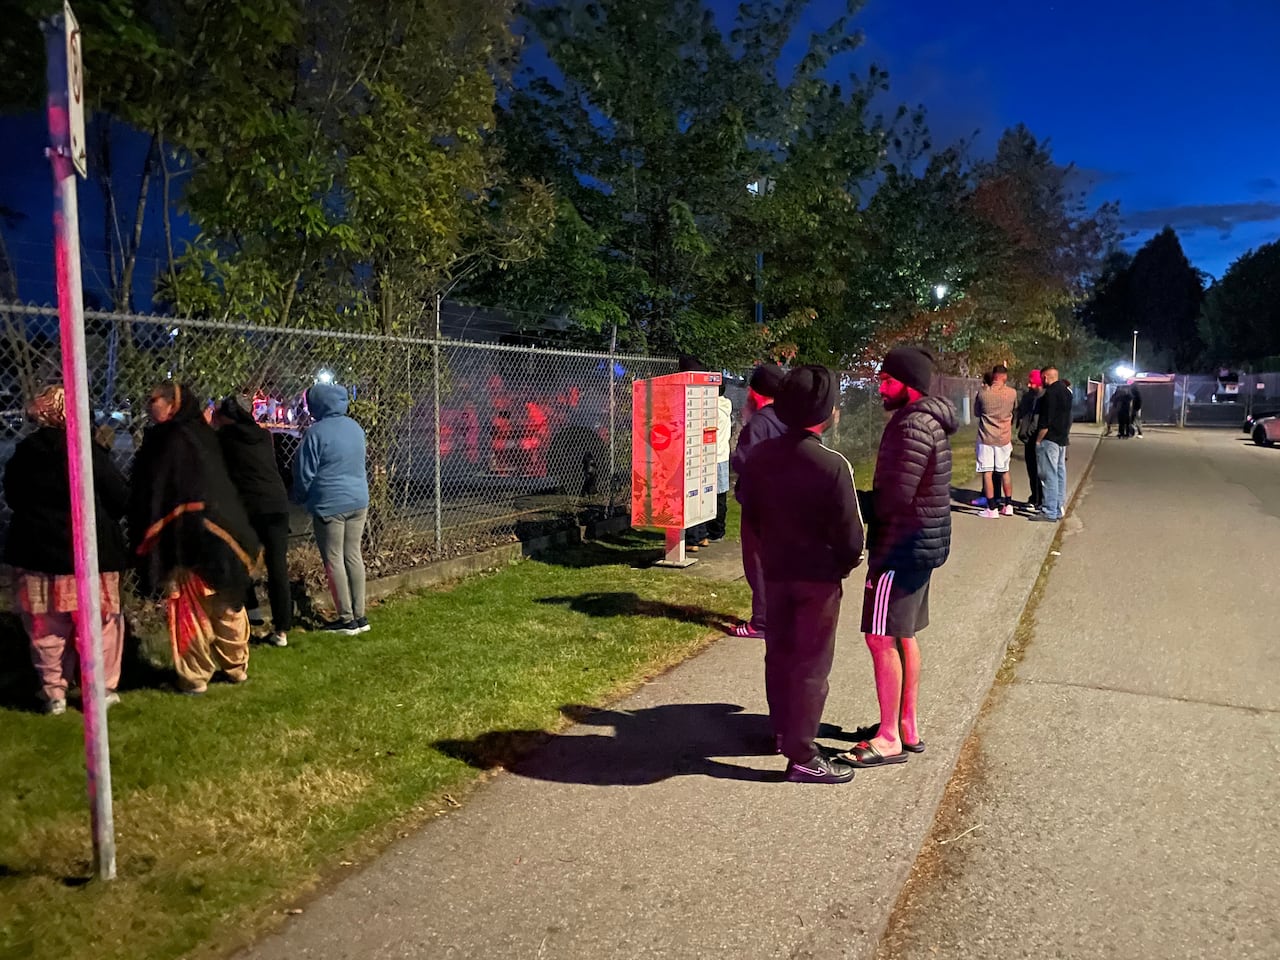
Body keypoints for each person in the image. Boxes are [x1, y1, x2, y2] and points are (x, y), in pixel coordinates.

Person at [736, 365, 865, 784]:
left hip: (776, 571)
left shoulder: (759, 457)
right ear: (823, 413)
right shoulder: (831, 465)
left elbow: (751, 513)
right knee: (811, 664)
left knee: (780, 654)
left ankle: (781, 730)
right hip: (817, 579)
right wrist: (841, 565)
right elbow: (851, 537)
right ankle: (803, 753)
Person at [851, 346, 957, 768]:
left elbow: (893, 499)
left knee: (880, 637)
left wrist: (846, 499)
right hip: (921, 545)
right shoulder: (929, 421)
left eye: (887, 380)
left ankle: (889, 736)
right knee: (904, 634)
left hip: (900, 547)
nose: (881, 386)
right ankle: (906, 726)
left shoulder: (911, 426)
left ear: (908, 385)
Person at [3, 386, 130, 714]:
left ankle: (54, 692)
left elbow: (14, 497)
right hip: (89, 554)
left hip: (39, 554)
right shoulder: (88, 450)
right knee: (100, 626)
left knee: (47, 627)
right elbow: (119, 496)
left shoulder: (25, 452)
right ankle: (99, 689)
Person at [130, 382, 261, 694]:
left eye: (155, 399)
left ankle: (195, 676)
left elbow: (160, 491)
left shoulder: (169, 439)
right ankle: (235, 666)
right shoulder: (202, 434)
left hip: (188, 537)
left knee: (194, 608)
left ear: (173, 403)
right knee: (224, 601)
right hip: (221, 531)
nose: (150, 405)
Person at [213, 394, 293, 647]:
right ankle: (282, 629)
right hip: (277, 504)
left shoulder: (225, 439)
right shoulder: (261, 435)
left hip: (250, 507)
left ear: (226, 417)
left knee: (240, 559)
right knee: (277, 566)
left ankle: (251, 612)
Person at [293, 380, 370, 635]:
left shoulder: (316, 433)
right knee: (353, 555)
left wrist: (300, 497)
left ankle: (346, 620)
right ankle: (360, 616)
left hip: (330, 503)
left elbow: (304, 473)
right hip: (358, 500)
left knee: (334, 558)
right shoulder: (356, 428)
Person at [728, 362, 786, 639]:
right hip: (786, 501)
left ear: (756, 391)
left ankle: (761, 622)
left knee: (758, 563)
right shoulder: (790, 417)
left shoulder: (760, 422)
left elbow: (745, 461)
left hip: (760, 505)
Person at [973, 364, 1017, 518]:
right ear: (1004, 377)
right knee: (1004, 471)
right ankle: (1009, 505)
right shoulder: (1012, 393)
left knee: (987, 472)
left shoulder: (983, 393)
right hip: (1004, 438)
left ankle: (992, 508)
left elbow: (977, 412)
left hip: (986, 437)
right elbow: (1014, 410)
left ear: (993, 376)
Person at [1031, 366, 1072, 522]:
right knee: (1060, 473)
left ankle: (1049, 511)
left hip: (1050, 438)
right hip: (1062, 438)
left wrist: (1038, 439)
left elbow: (1046, 421)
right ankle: (1058, 507)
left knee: (1049, 475)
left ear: (1046, 377)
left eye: (1043, 378)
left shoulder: (1050, 394)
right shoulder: (1067, 392)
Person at [706, 380, 733, 542]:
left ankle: (715, 530)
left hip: (713, 455)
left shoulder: (712, 408)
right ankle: (717, 530)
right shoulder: (726, 404)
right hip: (723, 455)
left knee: (714, 496)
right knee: (720, 494)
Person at [1016, 369, 1044, 511]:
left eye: (1032, 382)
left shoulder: (1042, 397)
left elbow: (1037, 420)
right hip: (1027, 438)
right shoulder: (1028, 396)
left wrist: (1030, 432)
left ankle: (1040, 499)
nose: (1029, 384)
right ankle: (1034, 496)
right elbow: (1021, 412)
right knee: (1032, 470)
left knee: (1039, 471)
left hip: (1037, 438)